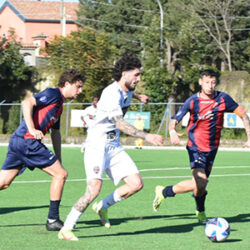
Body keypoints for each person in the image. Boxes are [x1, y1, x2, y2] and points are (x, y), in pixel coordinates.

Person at [58, 55, 164, 241]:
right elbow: (120, 123)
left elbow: (129, 95)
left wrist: (139, 96)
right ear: (124, 74)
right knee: (94, 189)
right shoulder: (110, 93)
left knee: (136, 184)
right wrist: (147, 136)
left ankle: (103, 207)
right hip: (97, 146)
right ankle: (66, 228)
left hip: (113, 145)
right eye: (136, 75)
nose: (139, 79)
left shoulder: (128, 90)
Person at [153, 69, 250, 224]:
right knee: (201, 181)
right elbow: (175, 118)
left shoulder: (223, 99)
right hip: (195, 147)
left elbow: (244, 115)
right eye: (207, 82)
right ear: (200, 82)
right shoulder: (192, 101)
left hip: (212, 149)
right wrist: (172, 131)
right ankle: (199, 210)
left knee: (200, 187)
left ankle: (166, 192)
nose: (210, 86)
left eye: (213, 82)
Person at [0, 69, 85, 231]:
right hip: (27, 141)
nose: (80, 91)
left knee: (3, 183)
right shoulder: (53, 93)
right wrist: (32, 129)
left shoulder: (59, 105)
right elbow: (26, 102)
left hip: (19, 141)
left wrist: (58, 158)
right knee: (60, 174)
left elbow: (56, 132)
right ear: (67, 84)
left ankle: (53, 219)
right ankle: (53, 220)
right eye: (78, 87)